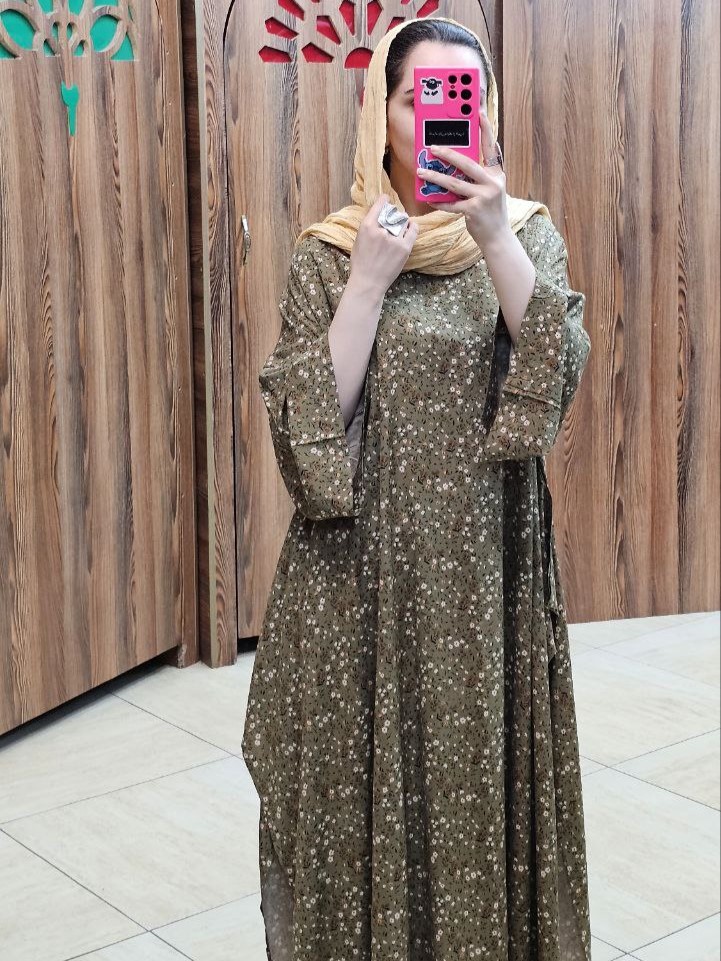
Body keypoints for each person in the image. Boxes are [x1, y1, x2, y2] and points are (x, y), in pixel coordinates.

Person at [242, 15, 593, 961]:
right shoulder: (331, 251)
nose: (437, 119)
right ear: (379, 112)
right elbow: (306, 432)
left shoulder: (525, 234)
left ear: (484, 111)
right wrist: (367, 282)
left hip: (487, 574)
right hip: (359, 578)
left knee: (477, 780)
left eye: (459, 98)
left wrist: (493, 235)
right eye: (415, 98)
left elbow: (556, 377)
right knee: (355, 793)